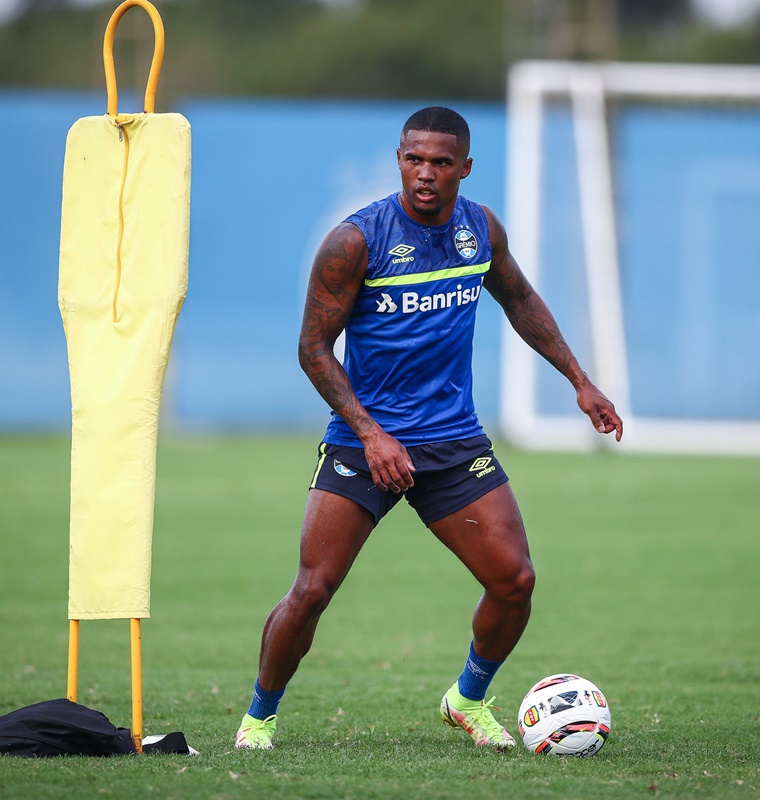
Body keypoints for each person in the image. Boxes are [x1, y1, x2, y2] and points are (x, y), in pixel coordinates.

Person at [234, 106, 623, 750]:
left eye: (440, 163)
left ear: (464, 168)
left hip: (452, 440)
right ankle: (258, 719)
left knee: (515, 582)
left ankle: (466, 698)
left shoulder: (480, 229)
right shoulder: (355, 242)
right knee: (313, 589)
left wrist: (580, 381)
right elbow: (312, 349)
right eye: (414, 159)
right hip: (365, 443)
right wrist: (370, 433)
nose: (425, 173)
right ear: (399, 160)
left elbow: (520, 299)